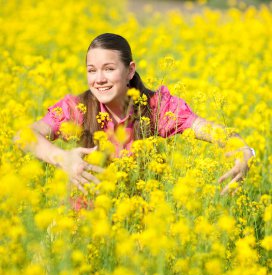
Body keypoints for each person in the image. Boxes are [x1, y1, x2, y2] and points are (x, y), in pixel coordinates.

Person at [21, 33, 255, 196]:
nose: (99, 79)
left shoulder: (154, 107)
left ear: (130, 70)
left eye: (109, 69)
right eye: (92, 71)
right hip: (81, 231)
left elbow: (203, 127)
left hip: (138, 237)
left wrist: (243, 149)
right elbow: (24, 136)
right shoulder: (78, 108)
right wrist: (61, 157)